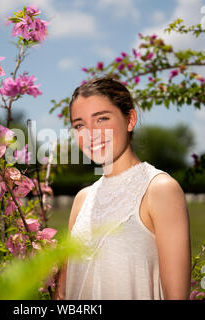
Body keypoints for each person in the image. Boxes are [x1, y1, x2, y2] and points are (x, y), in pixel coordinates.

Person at [52, 76, 191, 300]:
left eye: (102, 119)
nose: (91, 133)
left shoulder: (160, 189)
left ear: (130, 119)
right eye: (80, 124)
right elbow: (62, 295)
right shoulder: (82, 199)